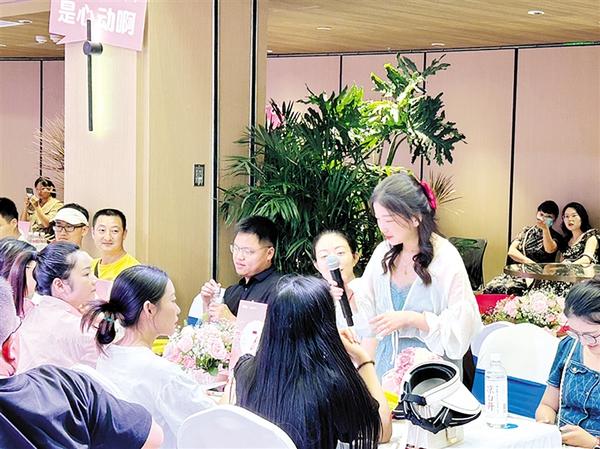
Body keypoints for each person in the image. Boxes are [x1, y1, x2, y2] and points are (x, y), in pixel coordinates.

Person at [230, 275, 392, 449]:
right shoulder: (331, 386)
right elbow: (382, 431)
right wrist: (362, 358)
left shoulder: (243, 370)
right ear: (326, 326)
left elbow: (223, 416)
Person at [0, 277, 164, 448]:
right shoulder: (65, 386)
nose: (94, 281)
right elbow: (151, 437)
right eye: (86, 274)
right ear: (11, 348)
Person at [360, 172, 481, 379]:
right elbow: (367, 310)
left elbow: (462, 327)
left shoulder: (445, 257)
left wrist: (413, 319)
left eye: (388, 219)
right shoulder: (383, 252)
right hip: (384, 369)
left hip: (428, 376)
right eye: (378, 219)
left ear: (415, 217)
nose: (382, 227)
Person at [82, 265, 214, 449]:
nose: (177, 309)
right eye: (173, 300)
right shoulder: (162, 373)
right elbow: (212, 428)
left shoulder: (107, 355)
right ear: (149, 309)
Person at [535, 278, 600, 448]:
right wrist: (546, 424)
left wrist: (593, 443)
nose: (583, 342)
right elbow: (547, 405)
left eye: (592, 335)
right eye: (575, 333)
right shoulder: (570, 346)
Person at [17, 242, 98, 372]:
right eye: (86, 274)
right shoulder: (83, 333)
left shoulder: (31, 314)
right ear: (59, 285)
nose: (94, 280)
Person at [199, 216, 281, 322]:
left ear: (269, 253)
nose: (239, 257)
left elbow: (279, 332)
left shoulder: (281, 291)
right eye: (236, 248)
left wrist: (232, 320)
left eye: (247, 251)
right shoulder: (232, 292)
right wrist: (208, 304)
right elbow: (213, 330)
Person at [484, 200, 562, 295]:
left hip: (537, 278)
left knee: (509, 289)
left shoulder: (556, 237)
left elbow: (549, 249)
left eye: (548, 217)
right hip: (516, 273)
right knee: (491, 287)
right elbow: (512, 251)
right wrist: (531, 263)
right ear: (537, 214)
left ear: (554, 219)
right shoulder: (526, 231)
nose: (543, 219)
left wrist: (545, 230)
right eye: (541, 214)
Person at [312, 230, 369, 334]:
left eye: (340, 253)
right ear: (317, 266)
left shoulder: (370, 288)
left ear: (355, 257)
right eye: (324, 256)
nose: (332, 259)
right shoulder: (315, 302)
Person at [91, 208, 139, 280]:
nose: (107, 238)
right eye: (102, 230)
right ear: (93, 232)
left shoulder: (134, 272)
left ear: (124, 234)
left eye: (115, 231)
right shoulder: (89, 267)